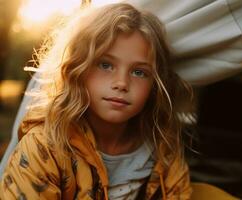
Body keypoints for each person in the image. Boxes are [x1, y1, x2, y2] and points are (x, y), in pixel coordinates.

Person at [0, 3, 193, 199]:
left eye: (139, 72)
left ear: (155, 83)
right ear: (77, 68)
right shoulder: (44, 147)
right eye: (105, 65)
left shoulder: (163, 150)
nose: (122, 83)